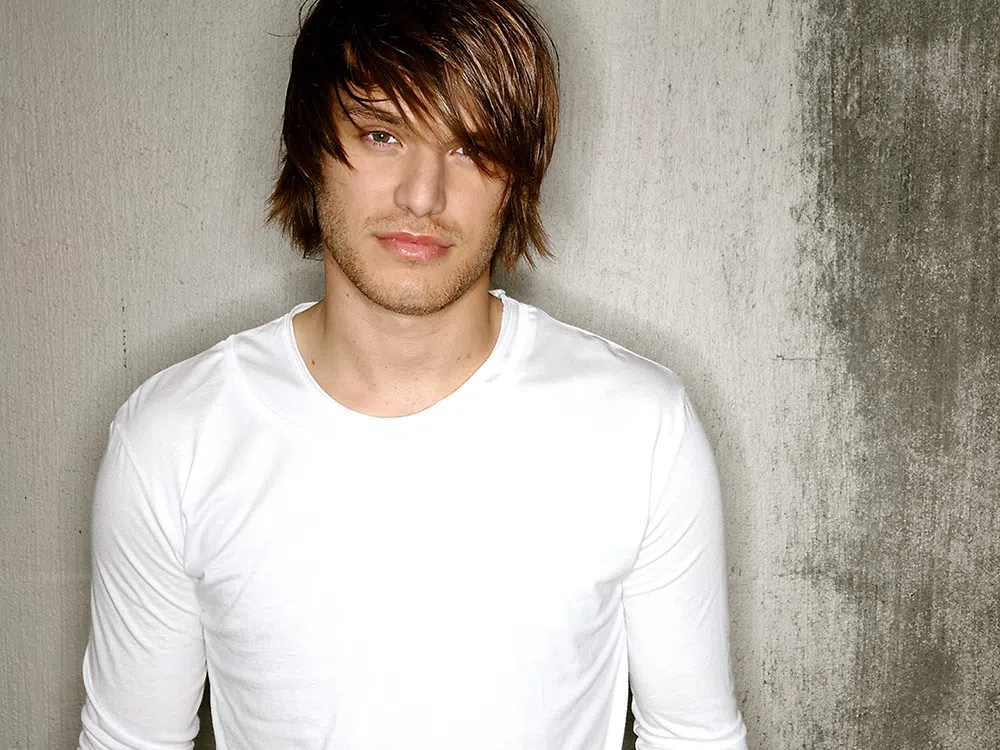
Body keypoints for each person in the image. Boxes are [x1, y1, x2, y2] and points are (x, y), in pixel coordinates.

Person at [78, 0, 748, 748]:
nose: (422, 195)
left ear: (515, 179)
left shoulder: (639, 426)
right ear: (310, 148)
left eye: (470, 147)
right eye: (382, 134)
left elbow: (693, 736)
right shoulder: (173, 438)